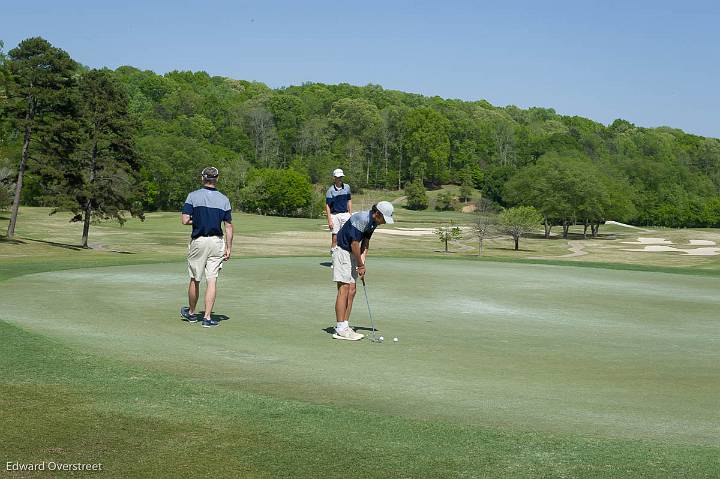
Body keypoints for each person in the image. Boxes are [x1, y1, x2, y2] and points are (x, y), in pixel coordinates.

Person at [331, 201, 394, 340]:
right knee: (344, 288)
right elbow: (354, 243)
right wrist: (360, 265)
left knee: (352, 290)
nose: (383, 222)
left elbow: (365, 243)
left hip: (352, 254)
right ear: (377, 213)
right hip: (342, 251)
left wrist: (363, 263)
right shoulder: (362, 219)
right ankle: (340, 328)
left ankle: (345, 325)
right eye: (384, 218)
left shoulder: (374, 223)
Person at [179, 166, 233, 328]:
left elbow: (185, 220)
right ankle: (207, 318)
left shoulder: (193, 196)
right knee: (212, 280)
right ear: (217, 179)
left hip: (199, 241)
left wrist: (199, 220)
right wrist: (229, 247)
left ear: (203, 178)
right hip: (217, 242)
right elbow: (228, 226)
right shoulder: (224, 199)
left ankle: (192, 314)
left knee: (195, 278)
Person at [325, 168, 352, 251]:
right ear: (334, 177)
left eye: (341, 177)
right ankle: (334, 261)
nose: (339, 178)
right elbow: (327, 206)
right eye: (338, 177)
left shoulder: (347, 187)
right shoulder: (330, 190)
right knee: (335, 237)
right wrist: (329, 220)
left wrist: (350, 213)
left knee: (346, 237)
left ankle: (345, 259)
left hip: (345, 214)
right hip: (334, 215)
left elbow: (349, 200)